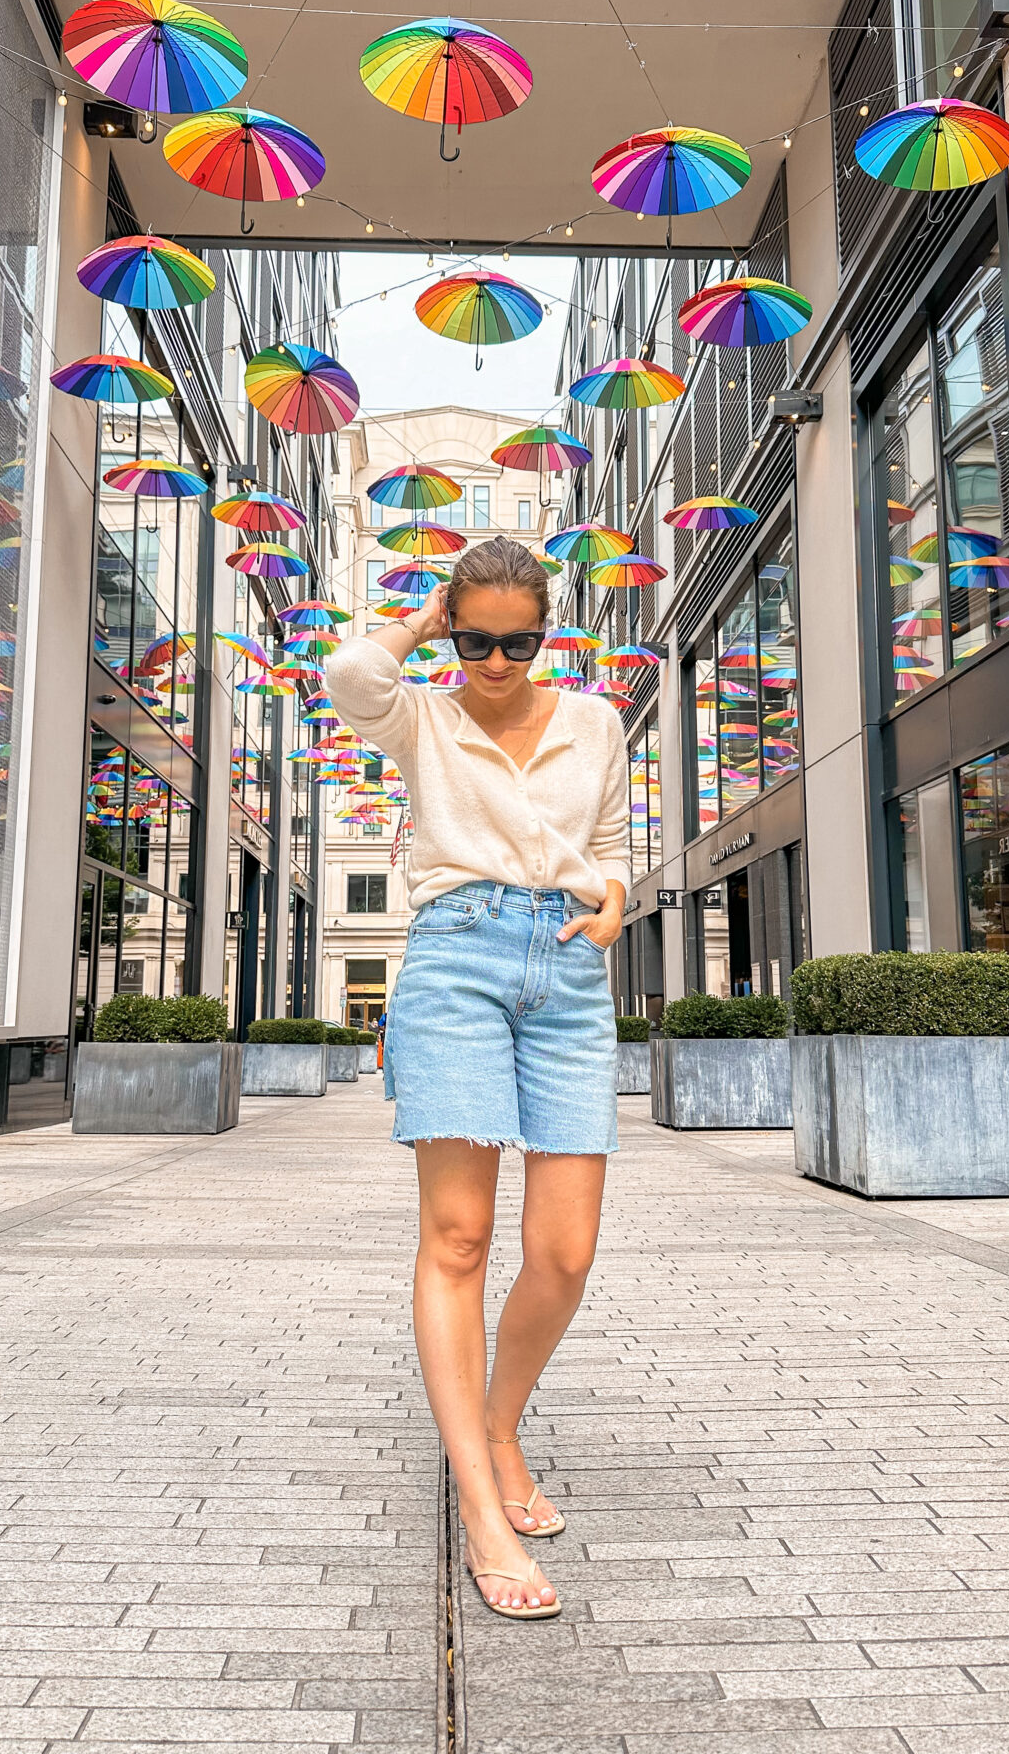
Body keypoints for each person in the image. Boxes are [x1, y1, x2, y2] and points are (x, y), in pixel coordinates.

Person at [325, 535, 629, 1622]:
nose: (496, 660)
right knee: (458, 1239)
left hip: (570, 972)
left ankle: (503, 1425)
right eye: (477, 638)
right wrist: (418, 622)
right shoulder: (426, 716)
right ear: (456, 628)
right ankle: (480, 1504)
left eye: (519, 640)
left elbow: (610, 838)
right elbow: (350, 678)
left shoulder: (596, 720)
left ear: (546, 633)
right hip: (455, 959)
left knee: (565, 1249)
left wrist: (615, 900)